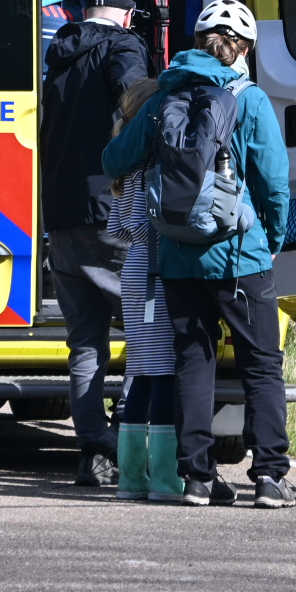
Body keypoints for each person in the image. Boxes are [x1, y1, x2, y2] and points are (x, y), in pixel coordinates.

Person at [102, 0, 295, 509]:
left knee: (193, 361)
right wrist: (271, 242)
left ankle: (197, 478)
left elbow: (114, 159)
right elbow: (275, 184)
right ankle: (270, 476)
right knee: (261, 364)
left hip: (178, 257)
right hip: (239, 258)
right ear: (245, 49)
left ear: (194, 43)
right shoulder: (249, 100)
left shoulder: (164, 96)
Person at [41, 0, 148, 486]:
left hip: (60, 215)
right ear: (126, 16)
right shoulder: (123, 46)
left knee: (85, 342)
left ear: (85, 12)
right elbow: (136, 101)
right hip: (108, 211)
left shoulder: (58, 55)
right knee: (149, 330)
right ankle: (126, 430)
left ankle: (92, 450)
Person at [108, 77, 183, 502]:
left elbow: (118, 227)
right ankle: (166, 478)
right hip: (156, 268)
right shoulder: (154, 162)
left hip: (134, 266)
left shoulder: (124, 164)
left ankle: (132, 477)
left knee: (139, 371)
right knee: (164, 373)